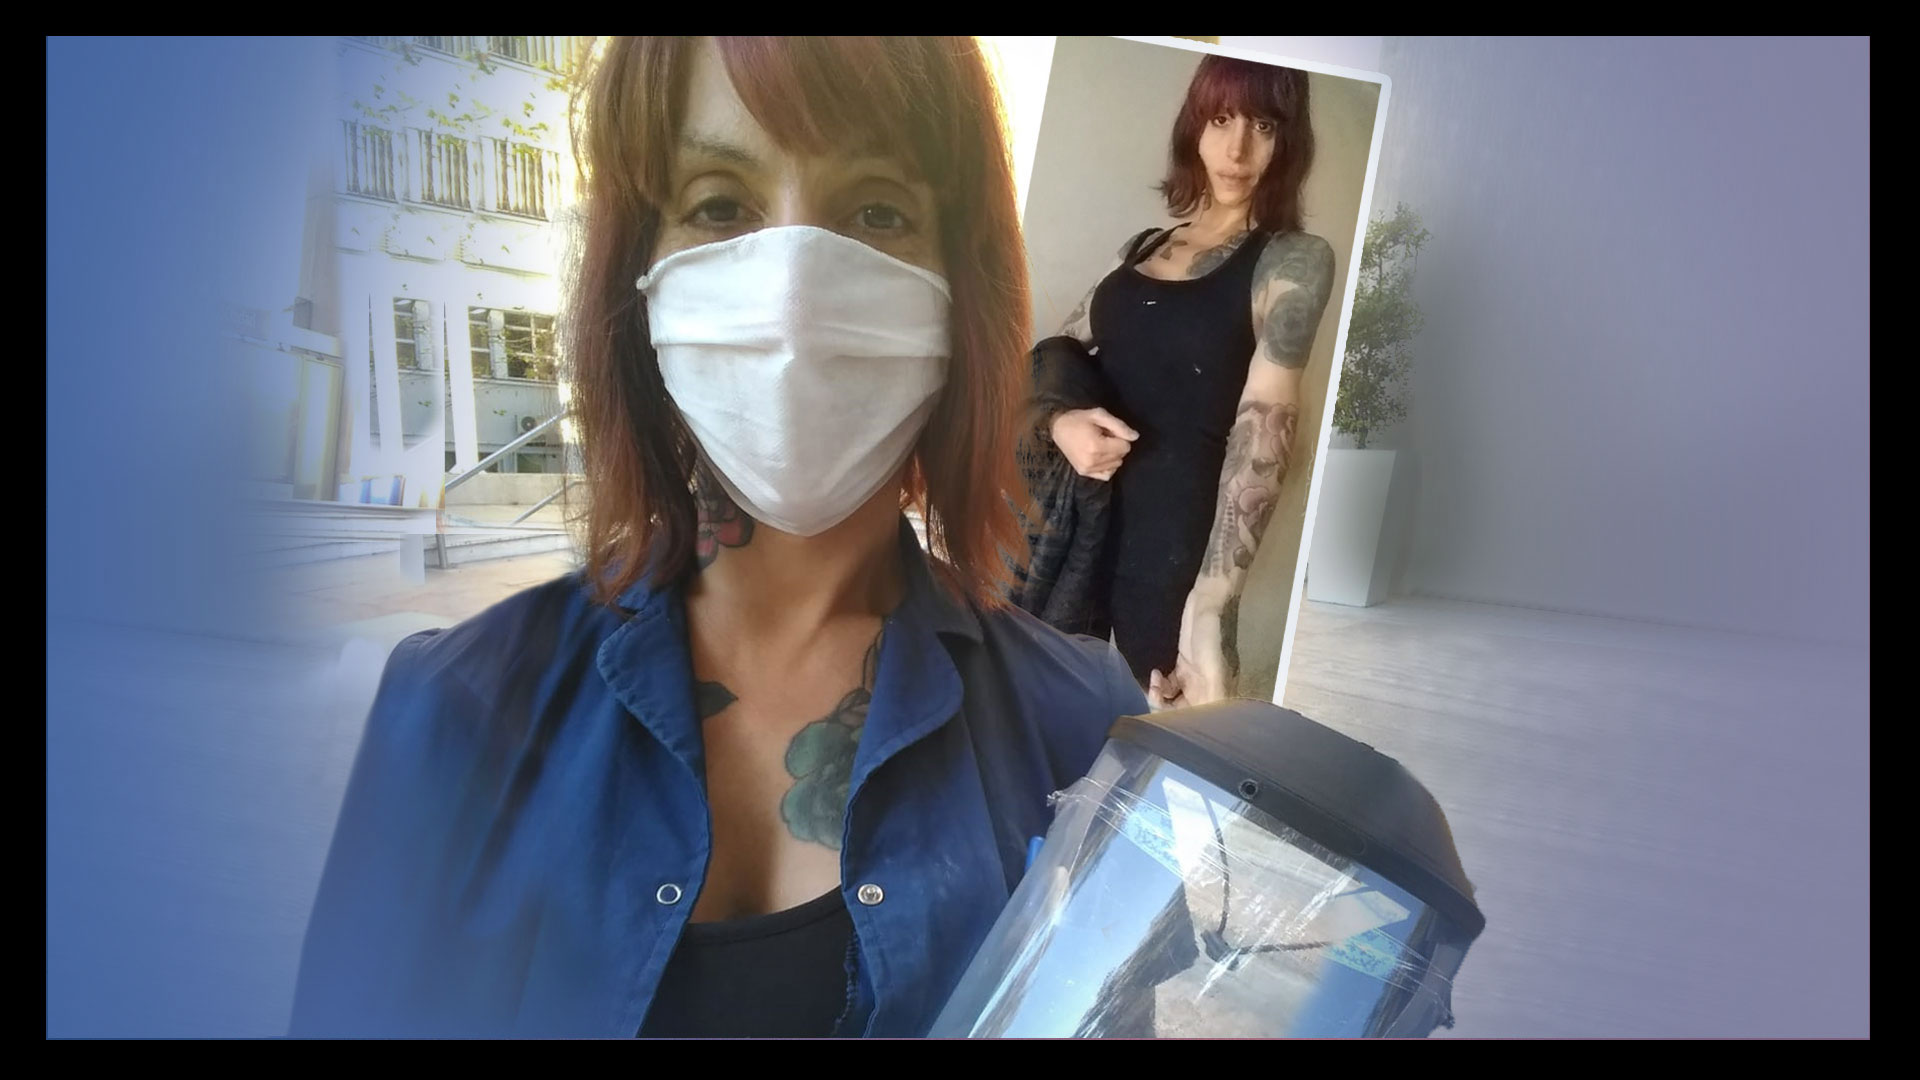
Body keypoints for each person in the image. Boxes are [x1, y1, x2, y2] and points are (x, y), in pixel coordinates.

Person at [287, 36, 1148, 1040]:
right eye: (720, 204)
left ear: (963, 285)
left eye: (877, 211)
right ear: (639, 277)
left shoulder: (1080, 730)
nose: (793, 290)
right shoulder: (458, 710)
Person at [1034, 56, 1338, 709]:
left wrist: (1209, 606)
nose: (1238, 149)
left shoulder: (1293, 262)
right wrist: (1063, 422)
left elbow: (1265, 428)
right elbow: (1056, 354)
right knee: (1052, 733)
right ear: (1194, 127)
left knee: (1157, 755)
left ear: (1288, 140)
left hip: (1172, 574)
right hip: (1075, 547)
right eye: (1221, 119)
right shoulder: (1141, 248)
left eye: (1263, 125)